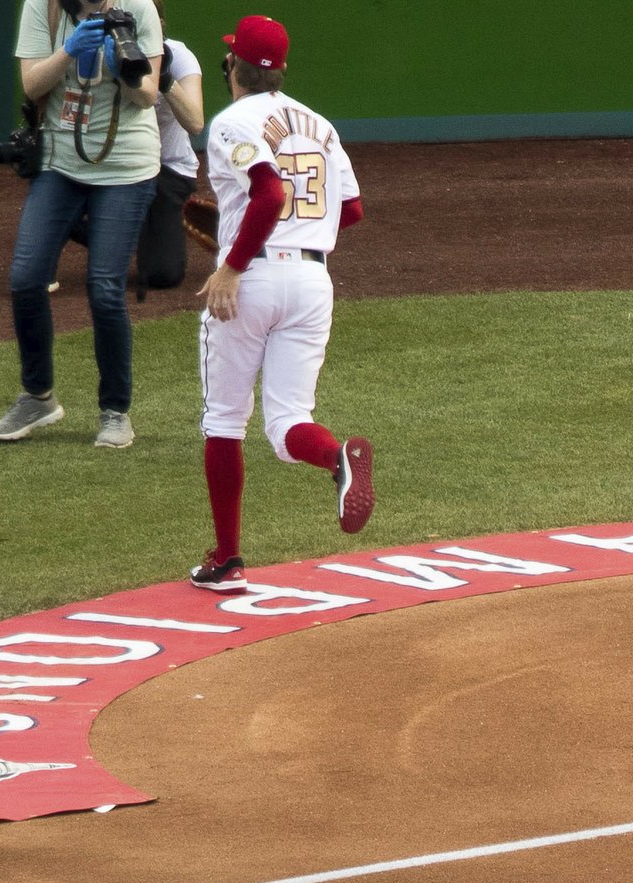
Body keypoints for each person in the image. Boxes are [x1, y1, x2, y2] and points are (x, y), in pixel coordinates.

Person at [186, 13, 374, 591]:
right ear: (282, 69)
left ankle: (226, 560)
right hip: (314, 283)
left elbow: (268, 194)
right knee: (289, 423)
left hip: (254, 281)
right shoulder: (319, 124)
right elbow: (350, 210)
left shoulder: (231, 121)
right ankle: (337, 457)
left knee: (224, 421)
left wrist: (232, 265)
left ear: (231, 66)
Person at [0, 0, 167, 449]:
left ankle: (115, 411)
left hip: (126, 166)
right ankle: (37, 397)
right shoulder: (43, 6)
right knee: (26, 278)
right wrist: (69, 51)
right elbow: (31, 85)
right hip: (60, 165)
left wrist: (117, 60)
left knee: (105, 289)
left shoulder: (137, 7)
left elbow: (148, 95)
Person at [133, 30, 209, 298]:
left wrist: (164, 79)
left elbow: (196, 123)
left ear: (159, 24)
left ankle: (145, 225)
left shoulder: (179, 57)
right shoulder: (106, 55)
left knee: (163, 275)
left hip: (168, 169)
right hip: (120, 169)